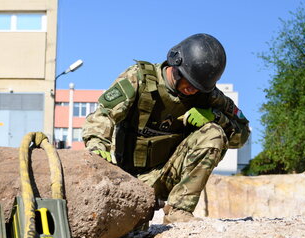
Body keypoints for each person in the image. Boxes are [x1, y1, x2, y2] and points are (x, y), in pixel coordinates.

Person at [82, 33, 250, 223]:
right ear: (176, 64)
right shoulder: (140, 78)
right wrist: (97, 146)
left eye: (199, 87)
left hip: (166, 175)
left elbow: (242, 136)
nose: (193, 90)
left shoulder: (208, 95)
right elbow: (102, 115)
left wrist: (216, 117)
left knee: (214, 133)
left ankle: (179, 211)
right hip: (127, 181)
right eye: (190, 82)